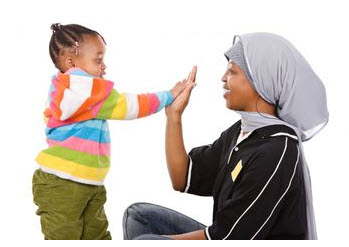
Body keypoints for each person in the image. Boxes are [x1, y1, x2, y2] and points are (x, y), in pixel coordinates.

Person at [123, 33, 329, 240]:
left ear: (260, 81)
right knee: (139, 216)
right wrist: (173, 116)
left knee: (145, 241)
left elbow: (229, 238)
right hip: (224, 236)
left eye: (232, 71)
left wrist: (159, 242)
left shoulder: (278, 149)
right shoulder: (242, 132)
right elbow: (182, 178)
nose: (223, 78)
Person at [32, 23, 189, 240]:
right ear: (72, 62)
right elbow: (131, 105)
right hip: (63, 184)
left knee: (92, 237)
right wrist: (168, 96)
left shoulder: (66, 89)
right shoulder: (88, 91)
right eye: (98, 60)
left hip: (86, 183)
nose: (103, 66)